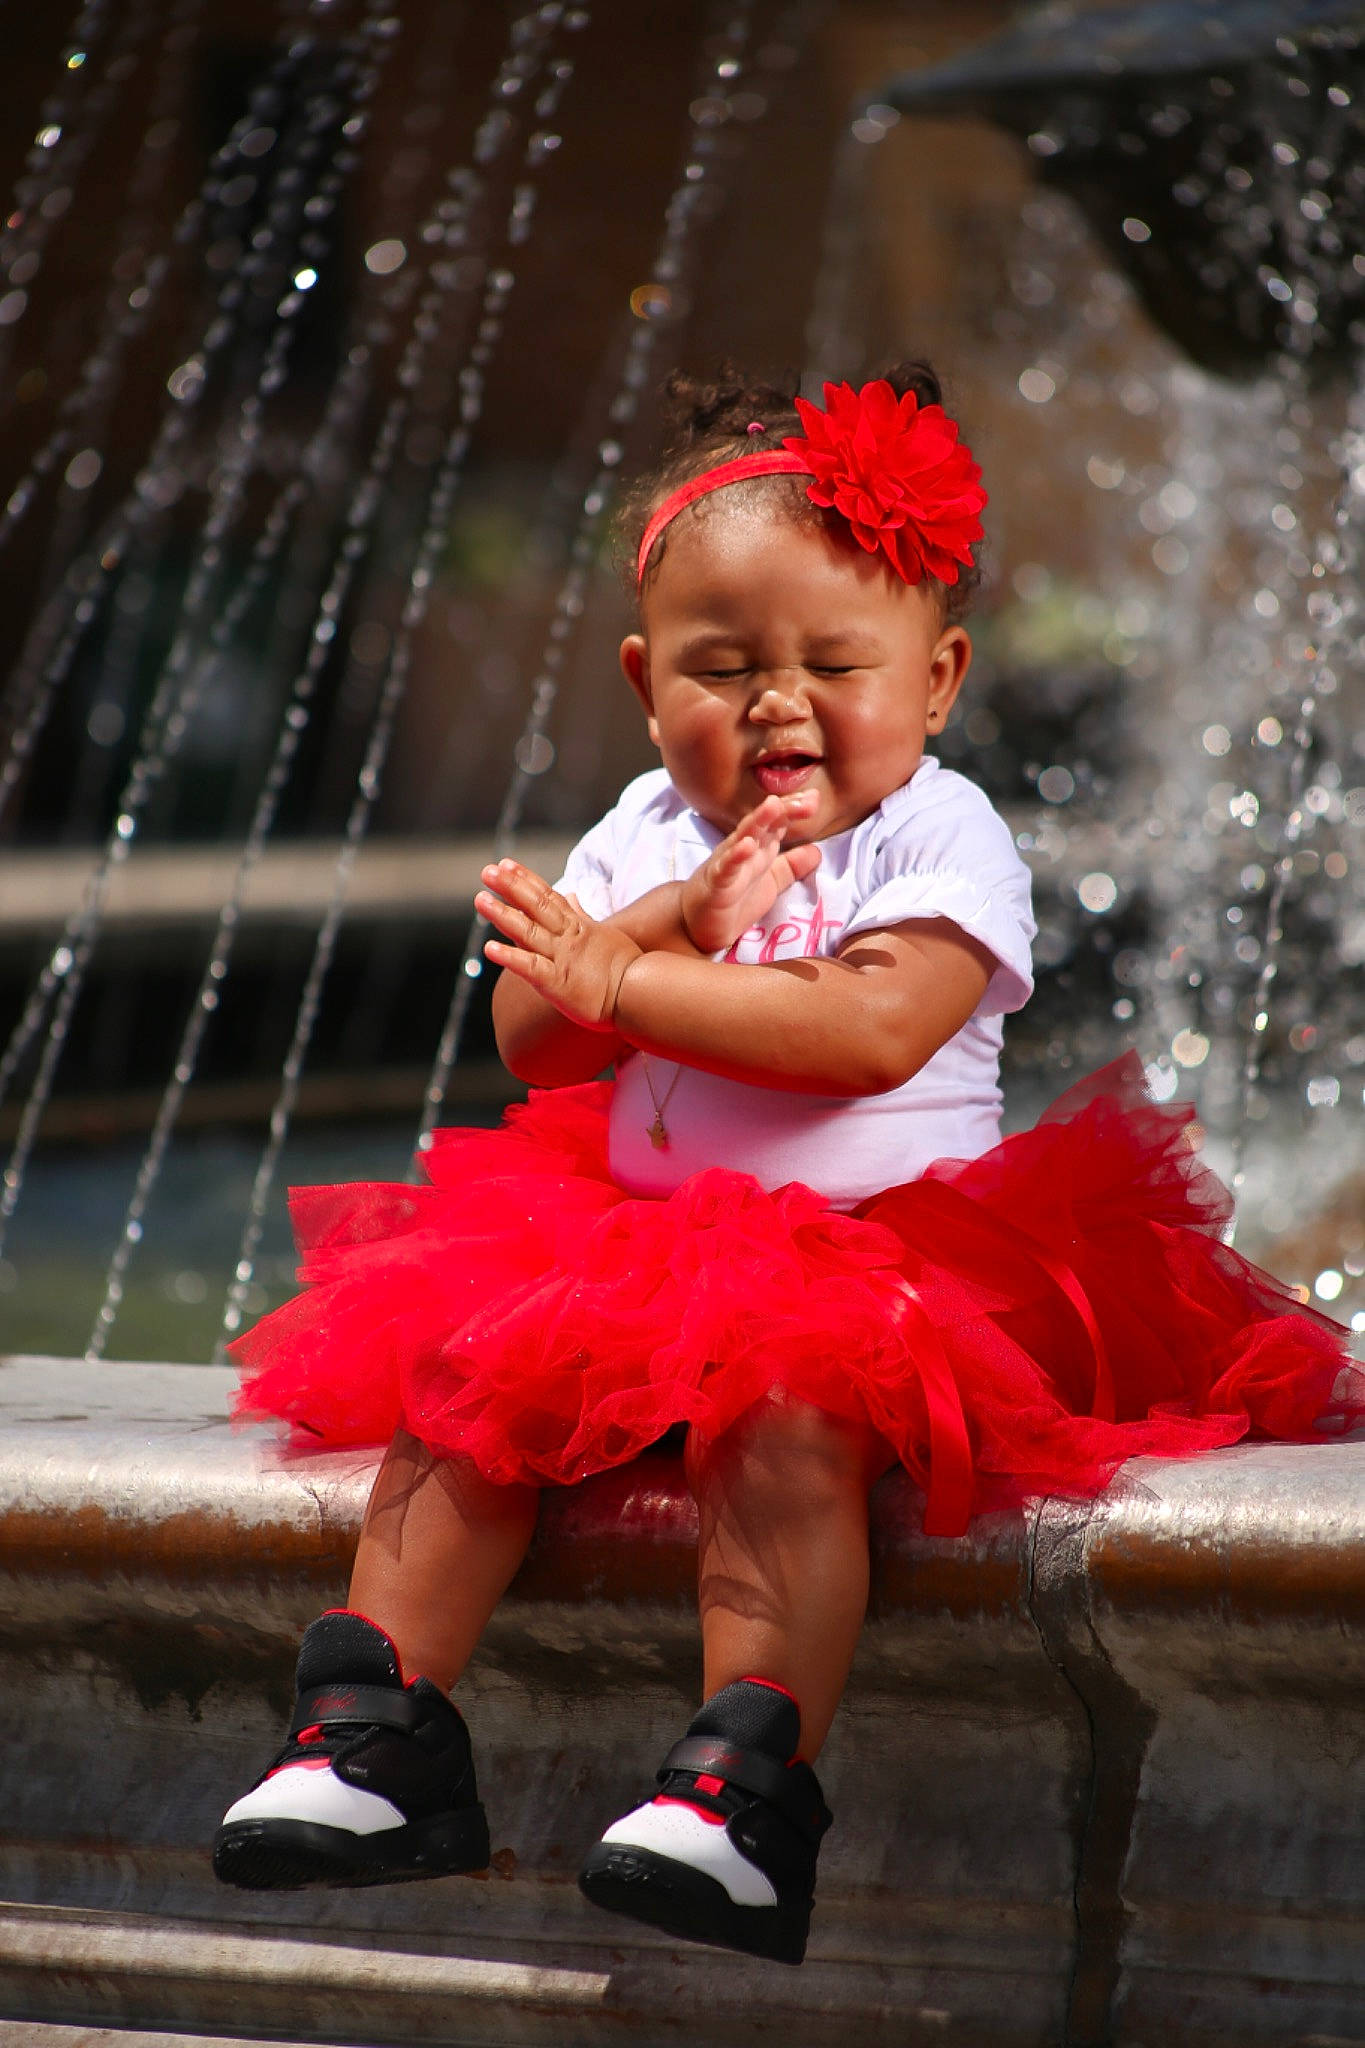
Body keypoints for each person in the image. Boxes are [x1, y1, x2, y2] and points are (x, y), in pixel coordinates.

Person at [213, 365, 1355, 1967]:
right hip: (637, 1239)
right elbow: (534, 1041)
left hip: (884, 1254)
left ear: (939, 677)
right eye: (722, 664)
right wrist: (657, 926)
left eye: (834, 660)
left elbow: (868, 1035)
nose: (774, 701)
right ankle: (372, 1724)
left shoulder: (938, 838)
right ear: (641, 678)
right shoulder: (643, 834)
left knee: (789, 1416)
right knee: (464, 1381)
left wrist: (633, 984)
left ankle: (744, 1781)